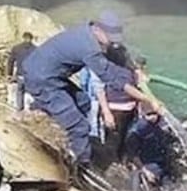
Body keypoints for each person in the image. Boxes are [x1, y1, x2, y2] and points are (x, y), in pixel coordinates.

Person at [21, 10, 161, 168]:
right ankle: (82, 165)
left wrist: (136, 70)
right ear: (98, 29)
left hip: (48, 72)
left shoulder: (88, 31)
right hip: (42, 79)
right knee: (79, 126)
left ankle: (65, 127)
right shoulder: (90, 49)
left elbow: (119, 52)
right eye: (110, 39)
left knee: (84, 102)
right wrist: (148, 99)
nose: (112, 44)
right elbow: (114, 80)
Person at [125, 106, 174, 191]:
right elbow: (133, 154)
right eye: (149, 114)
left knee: (170, 190)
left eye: (155, 114)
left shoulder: (160, 126)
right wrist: (145, 171)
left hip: (162, 165)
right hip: (147, 166)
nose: (153, 117)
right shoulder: (137, 130)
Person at [6, 32, 37, 110]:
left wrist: (9, 74)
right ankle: (28, 109)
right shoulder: (35, 49)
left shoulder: (16, 48)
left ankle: (19, 109)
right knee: (29, 93)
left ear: (23, 38)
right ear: (31, 39)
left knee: (19, 91)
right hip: (31, 76)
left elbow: (10, 61)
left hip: (20, 74)